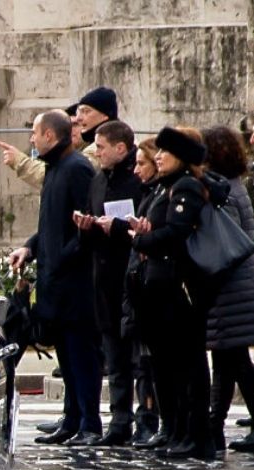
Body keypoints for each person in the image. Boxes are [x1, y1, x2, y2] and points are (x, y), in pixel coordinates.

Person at [9, 109, 101, 446]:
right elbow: (51, 224)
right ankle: (73, 418)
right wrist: (29, 249)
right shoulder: (53, 170)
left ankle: (90, 423)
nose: (31, 141)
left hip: (74, 283)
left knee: (81, 355)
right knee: (65, 352)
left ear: (50, 135)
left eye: (35, 134)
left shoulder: (77, 169)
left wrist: (62, 259)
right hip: (55, 282)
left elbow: (86, 224)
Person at [128, 126, 219, 460]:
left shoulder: (186, 188)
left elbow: (175, 233)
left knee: (187, 365)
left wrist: (141, 240)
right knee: (168, 366)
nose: (159, 156)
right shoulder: (166, 188)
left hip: (179, 289)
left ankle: (195, 434)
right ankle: (178, 430)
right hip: (161, 287)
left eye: (166, 152)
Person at [71, 120, 144, 446]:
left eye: (101, 147)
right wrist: (86, 226)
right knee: (114, 357)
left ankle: (146, 419)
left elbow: (142, 232)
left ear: (121, 148)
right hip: (104, 281)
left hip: (133, 280)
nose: (96, 153)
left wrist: (115, 228)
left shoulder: (138, 180)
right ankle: (119, 420)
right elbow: (90, 219)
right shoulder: (99, 181)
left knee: (138, 359)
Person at [200, 125, 254, 452]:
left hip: (231, 287)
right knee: (225, 360)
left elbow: (226, 242)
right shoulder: (232, 187)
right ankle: (213, 425)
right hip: (232, 286)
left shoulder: (227, 193)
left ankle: (214, 425)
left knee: (235, 360)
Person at [0, 87, 113, 190]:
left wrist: (20, 161)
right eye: (68, 125)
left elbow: (56, 176)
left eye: (75, 125)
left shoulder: (95, 151)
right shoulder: (74, 154)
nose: (71, 130)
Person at [126, 137, 163, 447]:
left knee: (152, 364)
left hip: (155, 287)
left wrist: (140, 239)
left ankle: (154, 421)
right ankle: (149, 420)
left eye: (141, 163)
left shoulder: (163, 195)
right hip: (140, 285)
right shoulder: (150, 194)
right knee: (144, 363)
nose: (136, 170)